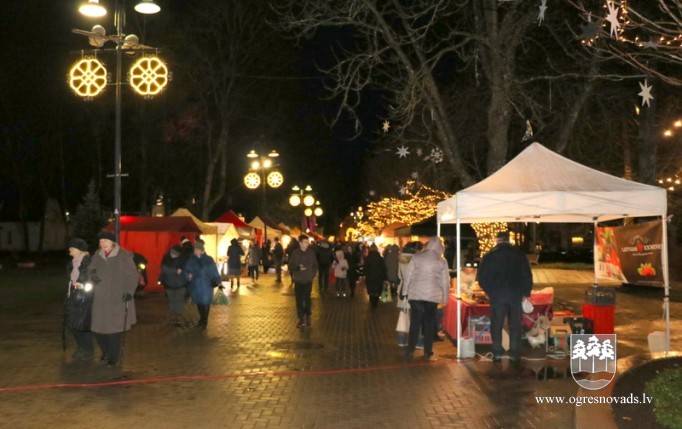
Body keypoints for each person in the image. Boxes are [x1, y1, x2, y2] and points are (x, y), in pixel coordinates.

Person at [476, 231, 533, 363]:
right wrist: (526, 293)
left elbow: (482, 277)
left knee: (497, 324)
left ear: (497, 240)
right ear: (508, 240)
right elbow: (527, 275)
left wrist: (490, 291)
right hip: (515, 295)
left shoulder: (490, 255)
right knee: (515, 324)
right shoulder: (519, 255)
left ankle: (497, 352)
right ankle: (514, 353)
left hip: (497, 295)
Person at [89, 230, 139, 367]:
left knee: (113, 330)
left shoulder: (123, 256)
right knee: (98, 330)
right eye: (100, 241)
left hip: (117, 298)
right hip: (100, 298)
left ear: (112, 242)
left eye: (105, 241)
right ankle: (106, 352)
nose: (102, 244)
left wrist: (129, 291)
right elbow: (91, 268)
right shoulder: (97, 254)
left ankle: (113, 358)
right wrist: (92, 275)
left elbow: (133, 275)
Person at [402, 237, 449, 361]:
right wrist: (445, 298)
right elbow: (445, 282)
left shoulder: (417, 257)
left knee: (415, 323)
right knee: (429, 323)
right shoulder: (441, 261)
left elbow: (408, 275)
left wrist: (405, 291)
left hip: (416, 295)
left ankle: (410, 349)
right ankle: (428, 351)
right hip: (432, 297)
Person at [65, 237, 95, 361]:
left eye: (72, 248)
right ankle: (81, 347)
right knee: (72, 323)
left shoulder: (89, 262)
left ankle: (88, 349)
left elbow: (95, 279)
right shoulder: (72, 264)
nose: (70, 250)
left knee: (83, 324)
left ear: (80, 249)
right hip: (74, 295)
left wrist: (86, 288)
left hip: (86, 297)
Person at [184, 241, 221, 328]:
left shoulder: (209, 259)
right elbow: (186, 270)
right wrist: (188, 275)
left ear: (202, 250)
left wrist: (217, 279)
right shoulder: (191, 260)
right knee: (199, 302)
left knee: (206, 302)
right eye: (195, 249)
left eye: (197, 249)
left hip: (206, 285)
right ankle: (201, 318)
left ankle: (205, 320)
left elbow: (214, 270)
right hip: (196, 285)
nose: (195, 251)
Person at [287, 235, 318, 328]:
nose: (307, 244)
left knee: (307, 299)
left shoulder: (311, 253)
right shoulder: (295, 253)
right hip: (299, 280)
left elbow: (315, 265)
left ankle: (308, 316)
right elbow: (290, 265)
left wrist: (312, 275)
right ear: (300, 243)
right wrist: (297, 268)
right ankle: (301, 318)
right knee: (299, 299)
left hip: (308, 279)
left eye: (307, 242)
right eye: (305, 242)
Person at [160, 245, 190, 325]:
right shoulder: (166, 258)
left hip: (181, 284)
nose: (173, 255)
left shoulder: (183, 259)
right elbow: (164, 269)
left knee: (179, 301)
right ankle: (173, 316)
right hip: (169, 284)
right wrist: (175, 271)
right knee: (172, 300)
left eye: (175, 254)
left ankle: (179, 316)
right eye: (172, 253)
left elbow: (187, 270)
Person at [363, 243, 387, 310]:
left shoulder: (367, 258)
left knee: (371, 291)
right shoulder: (380, 258)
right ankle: (375, 303)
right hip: (379, 277)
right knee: (377, 291)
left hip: (370, 277)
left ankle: (372, 303)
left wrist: (365, 274)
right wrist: (385, 277)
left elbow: (365, 268)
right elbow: (384, 268)